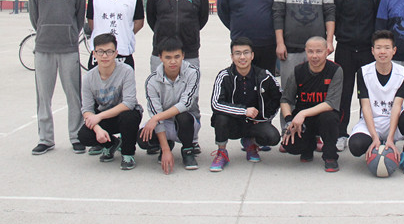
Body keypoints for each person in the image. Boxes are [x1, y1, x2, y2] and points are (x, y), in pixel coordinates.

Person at [146, 0, 209, 154]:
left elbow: (202, 20)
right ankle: (163, 138)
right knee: (160, 97)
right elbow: (151, 20)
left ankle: (193, 139)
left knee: (191, 99)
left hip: (189, 52)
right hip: (161, 54)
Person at [28, 0, 86, 155]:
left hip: (69, 48)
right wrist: (45, 31)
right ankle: (46, 139)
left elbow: (79, 17)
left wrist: (69, 33)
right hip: (44, 48)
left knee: (74, 96)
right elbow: (34, 17)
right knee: (43, 96)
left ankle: (76, 136)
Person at [273, 0, 335, 127]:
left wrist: (329, 41)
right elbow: (278, 14)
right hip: (290, 48)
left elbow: (330, 13)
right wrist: (280, 43)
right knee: (288, 92)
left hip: (316, 51)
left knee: (316, 92)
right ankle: (287, 129)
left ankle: (314, 132)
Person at [348, 30, 404, 175]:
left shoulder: (403, 73)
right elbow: (365, 107)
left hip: (393, 121)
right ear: (372, 51)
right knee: (355, 146)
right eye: (378, 48)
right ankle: (377, 144)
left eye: (387, 48)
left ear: (394, 50)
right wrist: (375, 137)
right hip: (372, 121)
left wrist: (390, 138)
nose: (382, 52)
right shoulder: (363, 72)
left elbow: (397, 106)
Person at [209, 37, 282, 172]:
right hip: (232, 123)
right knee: (220, 118)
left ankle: (251, 143)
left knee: (273, 137)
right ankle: (221, 152)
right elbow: (216, 104)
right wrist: (243, 111)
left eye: (246, 53)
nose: (242, 57)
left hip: (254, 122)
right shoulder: (224, 76)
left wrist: (262, 117)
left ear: (252, 55)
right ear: (232, 56)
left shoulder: (264, 75)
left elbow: (278, 97)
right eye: (237, 53)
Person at [333, 0, 381, 151]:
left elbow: (377, 22)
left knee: (367, 93)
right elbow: (334, 21)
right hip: (345, 50)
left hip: (367, 51)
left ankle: (366, 130)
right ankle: (340, 133)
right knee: (343, 93)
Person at [77, 33, 143, 170]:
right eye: (100, 52)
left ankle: (128, 154)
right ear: (94, 54)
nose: (105, 56)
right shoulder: (88, 78)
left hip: (123, 115)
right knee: (84, 135)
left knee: (129, 117)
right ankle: (111, 143)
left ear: (116, 53)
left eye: (109, 52)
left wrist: (99, 117)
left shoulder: (126, 71)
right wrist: (97, 128)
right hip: (105, 117)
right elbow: (87, 110)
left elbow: (129, 103)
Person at [138, 37, 201, 173]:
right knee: (143, 138)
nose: (173, 61)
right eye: (168, 57)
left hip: (186, 123)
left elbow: (185, 103)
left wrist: (156, 118)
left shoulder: (193, 73)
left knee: (183, 116)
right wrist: (165, 150)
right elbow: (156, 113)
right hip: (164, 122)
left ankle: (188, 150)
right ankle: (166, 144)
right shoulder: (152, 81)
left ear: (183, 55)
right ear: (160, 57)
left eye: (177, 56)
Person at [280, 37, 343, 172]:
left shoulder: (335, 70)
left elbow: (330, 103)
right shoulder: (298, 71)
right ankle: (308, 147)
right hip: (303, 120)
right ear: (306, 52)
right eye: (310, 52)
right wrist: (289, 121)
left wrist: (302, 113)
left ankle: (330, 156)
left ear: (326, 52)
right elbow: (285, 100)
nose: (314, 56)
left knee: (329, 118)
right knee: (290, 146)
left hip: (324, 116)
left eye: (319, 51)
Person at [86, 0, 144, 70]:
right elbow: (91, 22)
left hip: (123, 50)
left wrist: (125, 32)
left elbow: (139, 22)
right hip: (99, 52)